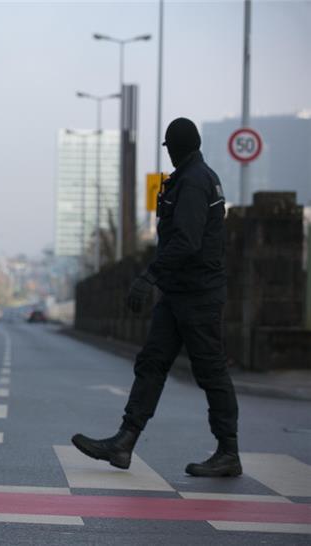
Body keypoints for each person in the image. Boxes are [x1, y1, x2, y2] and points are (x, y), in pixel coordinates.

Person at [71, 117, 242, 478]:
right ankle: (124, 442)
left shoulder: (194, 182)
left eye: (169, 148)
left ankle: (228, 451)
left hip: (198, 295)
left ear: (177, 147)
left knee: (211, 371)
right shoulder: (187, 179)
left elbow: (186, 241)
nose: (170, 154)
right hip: (179, 293)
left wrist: (148, 276)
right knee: (151, 363)